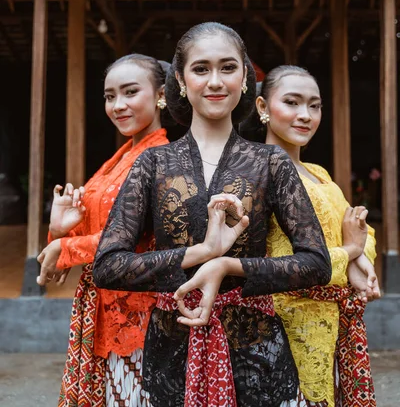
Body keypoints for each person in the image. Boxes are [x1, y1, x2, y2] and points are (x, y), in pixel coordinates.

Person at [93, 22, 332, 407]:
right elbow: (107, 265)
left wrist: (228, 267)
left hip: (257, 351)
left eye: (228, 68)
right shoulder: (153, 163)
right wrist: (202, 253)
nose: (215, 81)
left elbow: (317, 264)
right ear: (182, 81)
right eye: (201, 69)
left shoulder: (269, 161)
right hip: (171, 350)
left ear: (243, 80)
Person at [36, 54, 170, 407]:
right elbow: (99, 226)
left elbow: (135, 238)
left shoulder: (161, 157)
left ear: (161, 95)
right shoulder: (122, 157)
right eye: (110, 96)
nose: (118, 105)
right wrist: (60, 229)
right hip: (101, 301)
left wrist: (66, 248)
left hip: (138, 310)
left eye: (130, 92)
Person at [253, 65, 378, 407]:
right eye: (292, 103)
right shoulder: (255, 172)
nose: (305, 115)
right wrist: (349, 252)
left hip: (333, 324)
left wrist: (360, 258)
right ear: (263, 108)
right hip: (280, 329)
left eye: (314, 105)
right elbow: (270, 263)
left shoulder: (319, 174)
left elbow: (360, 228)